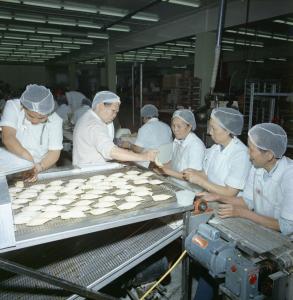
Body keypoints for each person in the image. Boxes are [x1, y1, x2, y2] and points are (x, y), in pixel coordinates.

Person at [199, 123, 293, 235]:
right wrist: (218, 197)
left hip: (285, 242)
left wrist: (243, 213)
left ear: (269, 155)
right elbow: (248, 201)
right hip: (262, 230)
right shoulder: (257, 167)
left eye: (252, 150)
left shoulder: (289, 176)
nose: (248, 153)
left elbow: (287, 226)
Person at [73, 91, 158, 167]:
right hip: (90, 171)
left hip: (86, 166)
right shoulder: (93, 125)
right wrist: (144, 156)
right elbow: (111, 151)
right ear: (100, 105)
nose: (114, 115)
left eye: (116, 112)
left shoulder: (88, 116)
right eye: (113, 111)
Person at [0, 84, 63, 181]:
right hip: (13, 168)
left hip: (42, 168)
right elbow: (8, 138)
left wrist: (38, 167)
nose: (35, 121)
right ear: (23, 107)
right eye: (30, 116)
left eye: (42, 118)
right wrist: (29, 161)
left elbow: (54, 152)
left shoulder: (55, 120)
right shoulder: (13, 107)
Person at [183, 107, 251, 196]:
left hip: (230, 206)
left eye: (213, 128)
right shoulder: (215, 148)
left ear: (227, 131)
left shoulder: (241, 155)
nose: (210, 132)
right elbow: (206, 174)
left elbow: (230, 193)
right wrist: (194, 173)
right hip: (213, 198)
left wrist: (200, 181)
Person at [155, 109, 205, 190]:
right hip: (175, 183)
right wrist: (160, 166)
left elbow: (193, 177)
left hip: (189, 189)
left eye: (179, 126)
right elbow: (174, 162)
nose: (175, 129)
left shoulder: (196, 146)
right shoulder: (178, 140)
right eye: (173, 126)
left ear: (189, 127)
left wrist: (165, 171)